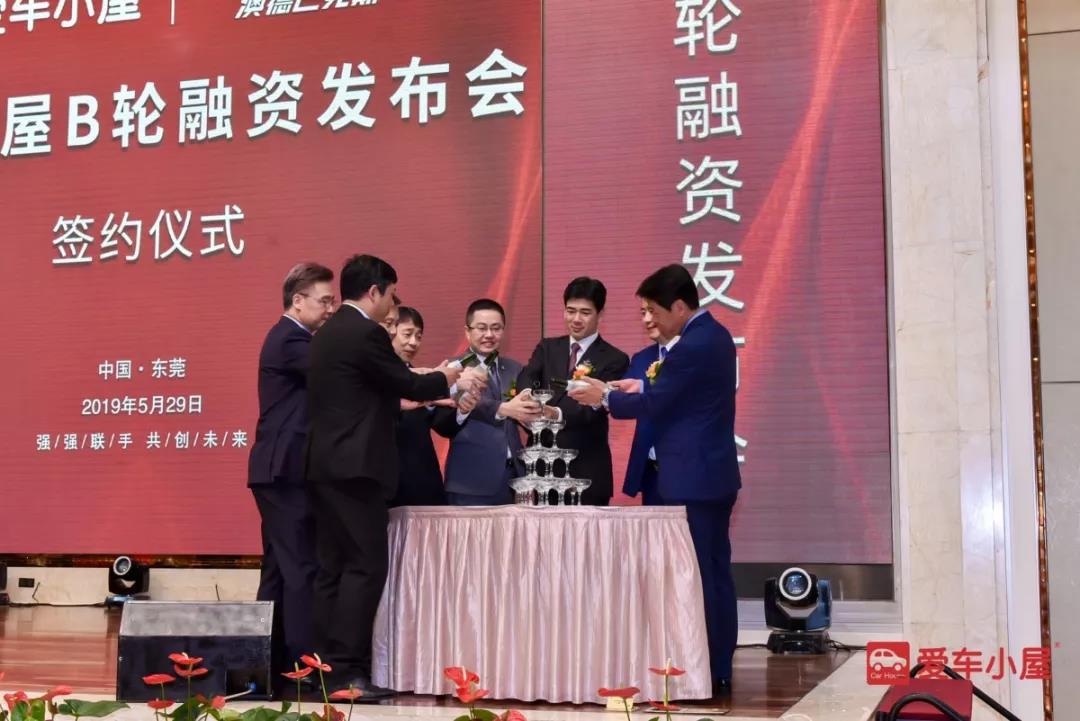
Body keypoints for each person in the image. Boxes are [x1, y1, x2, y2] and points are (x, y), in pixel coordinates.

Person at [305, 254, 485, 695]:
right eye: (391, 293)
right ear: (374, 292)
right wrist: (450, 376)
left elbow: (369, 395)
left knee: (332, 569)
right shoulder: (365, 332)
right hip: (357, 470)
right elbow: (406, 384)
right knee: (365, 567)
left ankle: (321, 669)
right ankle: (348, 672)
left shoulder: (326, 333)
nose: (392, 303)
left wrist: (426, 392)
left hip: (325, 465)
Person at [569, 264, 740, 696]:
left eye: (654, 311)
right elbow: (677, 396)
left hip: (696, 480)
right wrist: (638, 388)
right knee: (704, 574)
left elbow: (661, 403)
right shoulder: (709, 336)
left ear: (679, 307)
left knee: (702, 577)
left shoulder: (697, 343)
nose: (649, 320)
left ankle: (710, 668)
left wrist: (604, 397)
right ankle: (704, 666)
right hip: (697, 476)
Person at [247, 262, 334, 679]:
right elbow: (337, 369)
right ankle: (304, 666)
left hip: (279, 470)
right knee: (300, 566)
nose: (331, 309)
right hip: (283, 470)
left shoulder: (295, 338)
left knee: (280, 568)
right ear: (298, 301)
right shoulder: (291, 339)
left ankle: (266, 661)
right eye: (325, 301)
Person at [516, 277, 629, 505]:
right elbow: (528, 376)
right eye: (570, 311)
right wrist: (526, 398)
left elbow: (593, 408)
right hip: (543, 471)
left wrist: (553, 413)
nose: (576, 319)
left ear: (600, 314)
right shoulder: (548, 347)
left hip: (586, 471)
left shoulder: (615, 359)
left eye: (585, 313)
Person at [436, 298, 541, 505]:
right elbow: (464, 407)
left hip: (514, 480)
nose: (489, 335)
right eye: (482, 328)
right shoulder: (452, 370)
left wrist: (531, 416)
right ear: (467, 332)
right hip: (471, 480)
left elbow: (525, 415)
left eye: (496, 328)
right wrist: (504, 408)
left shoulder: (515, 368)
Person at [389, 306, 459, 506]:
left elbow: (444, 426)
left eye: (418, 336)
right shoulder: (381, 378)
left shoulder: (424, 381)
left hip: (424, 482)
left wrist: (462, 409)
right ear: (390, 332)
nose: (413, 342)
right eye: (407, 334)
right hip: (391, 484)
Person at [622, 325, 679, 507]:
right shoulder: (641, 358)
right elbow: (624, 401)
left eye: (653, 312)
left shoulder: (693, 355)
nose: (647, 319)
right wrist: (603, 393)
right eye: (643, 313)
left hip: (687, 472)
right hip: (652, 471)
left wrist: (643, 388)